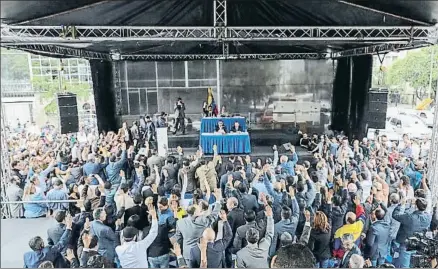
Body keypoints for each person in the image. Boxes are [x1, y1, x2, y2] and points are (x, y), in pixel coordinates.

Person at [392, 197, 432, 268]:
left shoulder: (410, 217)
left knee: (404, 265)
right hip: (418, 244)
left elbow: (395, 215)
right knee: (411, 263)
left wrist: (401, 205)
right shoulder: (428, 217)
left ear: (416, 206)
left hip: (406, 244)